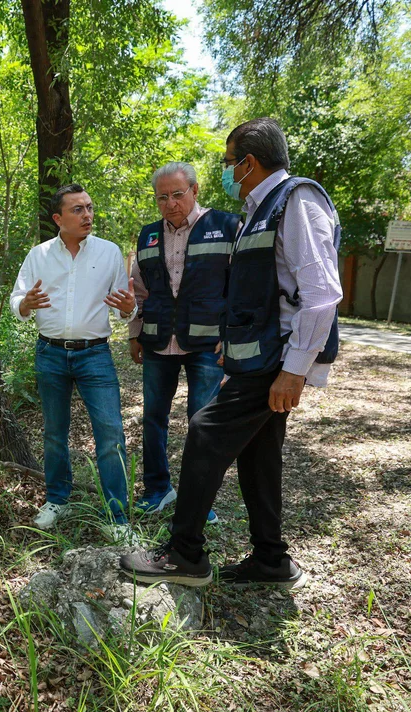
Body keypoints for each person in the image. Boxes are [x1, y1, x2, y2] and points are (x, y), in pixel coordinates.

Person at [120, 118, 343, 588]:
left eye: (228, 164)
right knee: (260, 453)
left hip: (277, 359)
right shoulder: (259, 210)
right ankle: (271, 560)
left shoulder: (296, 200)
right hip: (258, 357)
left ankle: (185, 555)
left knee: (204, 431)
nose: (228, 174)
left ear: (249, 163)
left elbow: (321, 293)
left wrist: (295, 370)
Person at [10, 184, 138, 543]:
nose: (87, 215)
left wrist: (130, 309)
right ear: (57, 218)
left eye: (89, 208)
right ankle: (57, 500)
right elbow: (17, 298)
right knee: (54, 432)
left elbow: (124, 303)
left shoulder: (109, 252)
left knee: (110, 432)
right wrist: (25, 304)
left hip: (95, 353)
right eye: (78, 210)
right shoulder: (39, 255)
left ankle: (116, 516)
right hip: (49, 353)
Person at [129, 162, 240, 524]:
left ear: (195, 190)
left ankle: (199, 499)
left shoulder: (226, 226)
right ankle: (157, 489)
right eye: (162, 197)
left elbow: (240, 288)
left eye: (178, 194)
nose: (170, 203)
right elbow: (139, 292)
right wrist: (134, 334)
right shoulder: (147, 236)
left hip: (208, 344)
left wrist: (233, 336)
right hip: (158, 341)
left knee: (203, 422)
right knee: (153, 419)